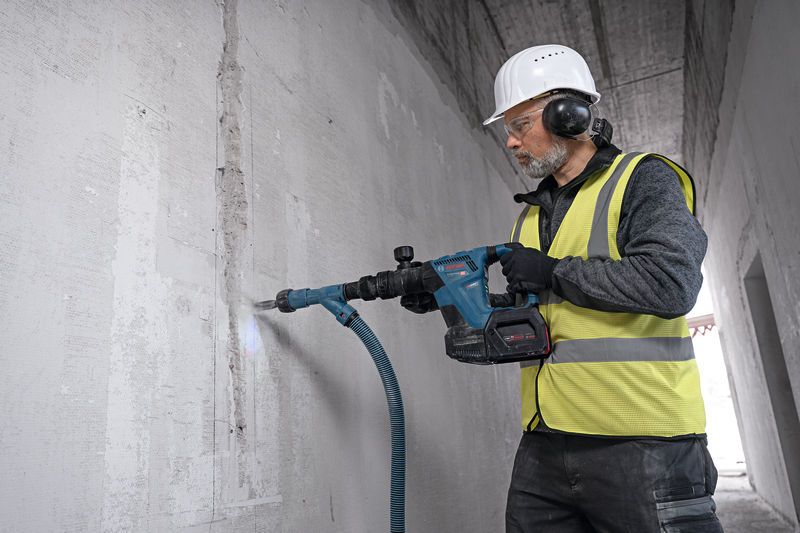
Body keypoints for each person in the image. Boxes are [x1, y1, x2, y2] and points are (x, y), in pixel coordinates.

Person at [479, 44, 723, 532]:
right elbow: (544, 310)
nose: (511, 142)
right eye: (507, 130)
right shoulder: (529, 216)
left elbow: (670, 284)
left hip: (645, 445)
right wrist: (465, 304)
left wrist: (551, 271)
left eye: (519, 125)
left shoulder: (642, 179)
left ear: (568, 115)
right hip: (545, 443)